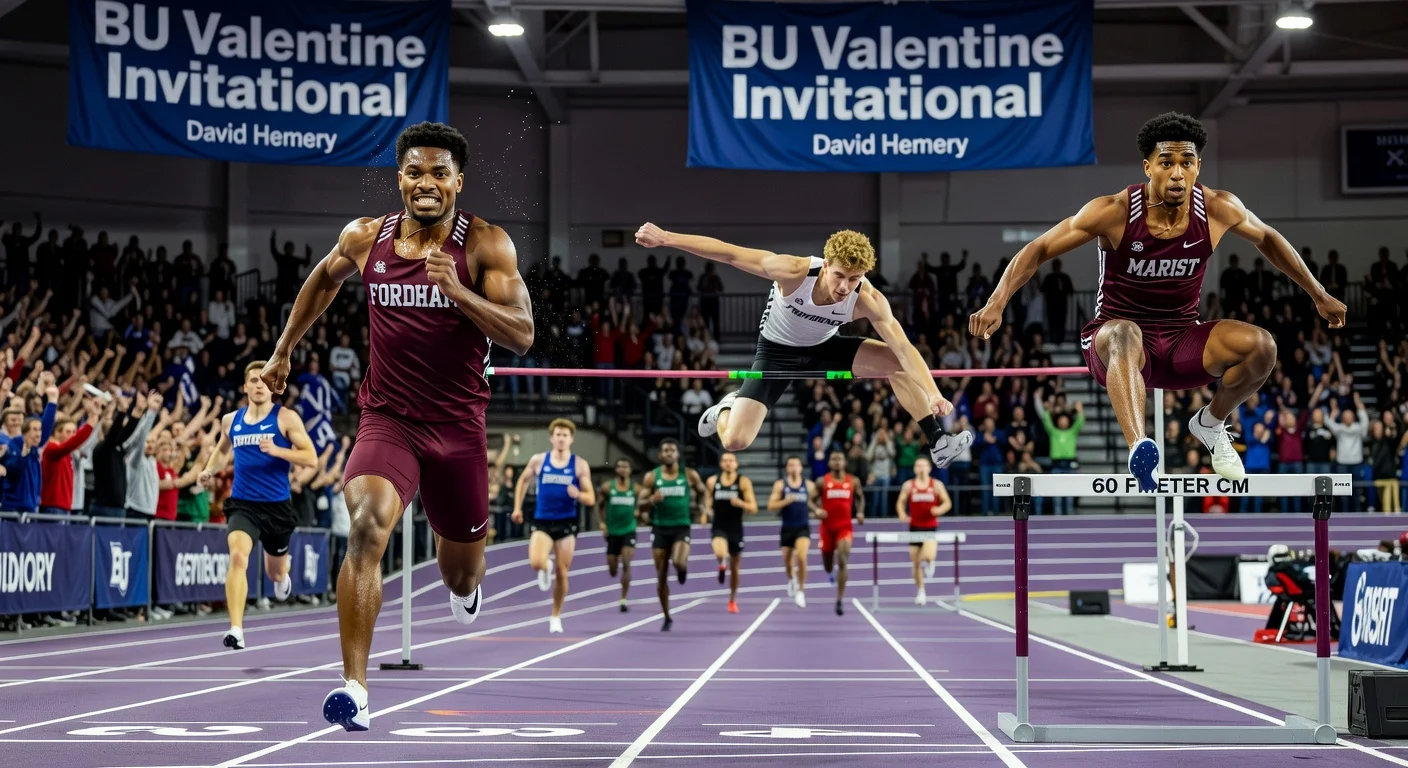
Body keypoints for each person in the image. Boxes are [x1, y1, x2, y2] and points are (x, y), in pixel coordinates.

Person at [258, 122, 535, 732]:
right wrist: (283, 351)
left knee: (460, 568)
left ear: (459, 181)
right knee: (365, 527)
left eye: (439, 173)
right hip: (388, 420)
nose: (426, 183)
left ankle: (466, 590)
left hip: (458, 426)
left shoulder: (487, 245)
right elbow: (322, 281)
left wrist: (458, 291)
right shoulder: (366, 236)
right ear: (400, 178)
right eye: (414, 172)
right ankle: (354, 686)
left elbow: (520, 333)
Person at [969, 112, 1346, 491]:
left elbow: (1267, 238)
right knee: (1124, 333)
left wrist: (1318, 293)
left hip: (1183, 341)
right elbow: (1040, 247)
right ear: (1149, 167)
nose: (1177, 174)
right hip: (1116, 345)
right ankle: (1139, 448)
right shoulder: (1114, 211)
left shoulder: (1217, 208)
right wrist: (997, 301)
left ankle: (1210, 424)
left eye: (1187, 163)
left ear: (1198, 166)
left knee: (1262, 346)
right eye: (1167, 163)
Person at [634, 224, 972, 469]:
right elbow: (729, 253)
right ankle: (725, 407)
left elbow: (903, 346)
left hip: (825, 345)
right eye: (839, 276)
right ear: (825, 265)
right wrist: (666, 239)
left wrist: (932, 392)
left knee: (895, 363)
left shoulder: (867, 298)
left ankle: (937, 440)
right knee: (735, 441)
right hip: (776, 351)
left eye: (854, 279)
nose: (845, 287)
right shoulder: (794, 271)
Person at [199, 361, 318, 650]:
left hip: (276, 506)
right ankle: (236, 628)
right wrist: (209, 470)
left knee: (274, 573)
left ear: (273, 387)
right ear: (245, 386)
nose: (258, 385)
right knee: (238, 557)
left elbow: (311, 458)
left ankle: (282, 575)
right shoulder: (231, 420)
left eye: (264, 381)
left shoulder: (286, 418)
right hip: (243, 504)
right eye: (253, 380)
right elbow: (221, 450)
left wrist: (278, 450)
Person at [513, 419, 596, 633]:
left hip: (567, 522)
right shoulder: (539, 460)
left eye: (565, 435)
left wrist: (578, 493)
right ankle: (545, 567)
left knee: (562, 572)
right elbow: (522, 480)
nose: (561, 438)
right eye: (557, 434)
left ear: (571, 439)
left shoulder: (579, 465)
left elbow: (591, 499)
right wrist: (517, 508)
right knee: (536, 562)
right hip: (543, 520)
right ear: (551, 438)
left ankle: (555, 615)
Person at [637, 438, 707, 631]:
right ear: (660, 455)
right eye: (665, 450)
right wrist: (652, 499)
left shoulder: (688, 474)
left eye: (672, 450)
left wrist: (703, 508)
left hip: (681, 526)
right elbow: (640, 504)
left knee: (678, 562)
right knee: (661, 575)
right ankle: (667, 616)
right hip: (660, 528)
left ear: (678, 454)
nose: (669, 453)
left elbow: (703, 491)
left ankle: (682, 570)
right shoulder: (652, 477)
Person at [705, 452, 758, 614]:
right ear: (721, 464)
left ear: (736, 464)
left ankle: (732, 600)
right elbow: (707, 502)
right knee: (720, 551)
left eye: (731, 461)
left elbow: (754, 508)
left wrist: (740, 502)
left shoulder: (743, 482)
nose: (728, 463)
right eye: (725, 461)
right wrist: (705, 513)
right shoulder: (713, 481)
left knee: (735, 568)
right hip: (719, 525)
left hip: (735, 528)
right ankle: (722, 563)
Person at [896, 457, 951, 605]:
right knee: (915, 563)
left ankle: (931, 561)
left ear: (929, 468)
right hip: (914, 527)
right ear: (914, 468)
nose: (921, 468)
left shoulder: (936, 485)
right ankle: (921, 591)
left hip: (930, 526)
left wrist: (939, 509)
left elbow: (947, 502)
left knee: (927, 555)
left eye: (923, 465)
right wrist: (902, 514)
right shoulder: (908, 485)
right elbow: (901, 502)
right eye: (918, 465)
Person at [768, 456, 820, 609]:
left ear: (801, 468)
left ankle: (801, 592)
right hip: (787, 528)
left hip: (802, 527)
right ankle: (792, 579)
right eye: (790, 465)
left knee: (802, 557)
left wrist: (817, 510)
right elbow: (771, 506)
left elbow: (814, 502)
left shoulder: (809, 485)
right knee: (787, 563)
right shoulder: (780, 485)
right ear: (787, 468)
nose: (794, 468)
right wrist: (786, 501)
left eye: (796, 465)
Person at [818, 449, 864, 616]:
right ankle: (830, 573)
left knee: (843, 560)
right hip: (826, 528)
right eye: (834, 459)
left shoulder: (853, 481)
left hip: (844, 527)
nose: (837, 462)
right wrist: (816, 510)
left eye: (840, 459)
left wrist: (860, 512)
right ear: (829, 463)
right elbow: (811, 500)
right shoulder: (822, 481)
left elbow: (860, 497)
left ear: (845, 462)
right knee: (828, 564)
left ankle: (839, 599)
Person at [597, 458, 639, 612]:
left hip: (629, 530)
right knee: (613, 570)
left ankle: (623, 599)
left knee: (627, 562)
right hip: (613, 531)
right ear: (616, 470)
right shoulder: (608, 487)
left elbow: (643, 503)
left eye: (625, 466)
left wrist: (640, 511)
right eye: (619, 466)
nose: (622, 469)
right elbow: (599, 506)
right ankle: (615, 570)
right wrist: (601, 523)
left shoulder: (636, 489)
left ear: (630, 470)